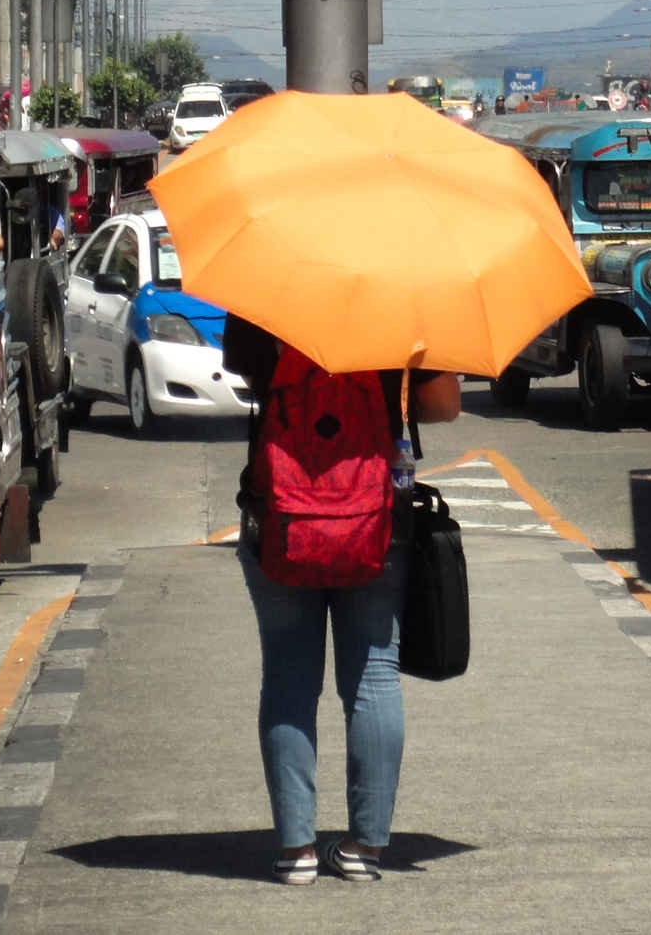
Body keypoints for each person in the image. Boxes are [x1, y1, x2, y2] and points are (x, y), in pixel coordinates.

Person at [222, 314, 462, 884]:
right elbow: (443, 404)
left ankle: (296, 851)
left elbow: (244, 373)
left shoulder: (264, 293)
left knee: (287, 672)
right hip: (376, 516)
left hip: (282, 516)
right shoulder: (400, 295)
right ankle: (365, 848)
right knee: (375, 672)